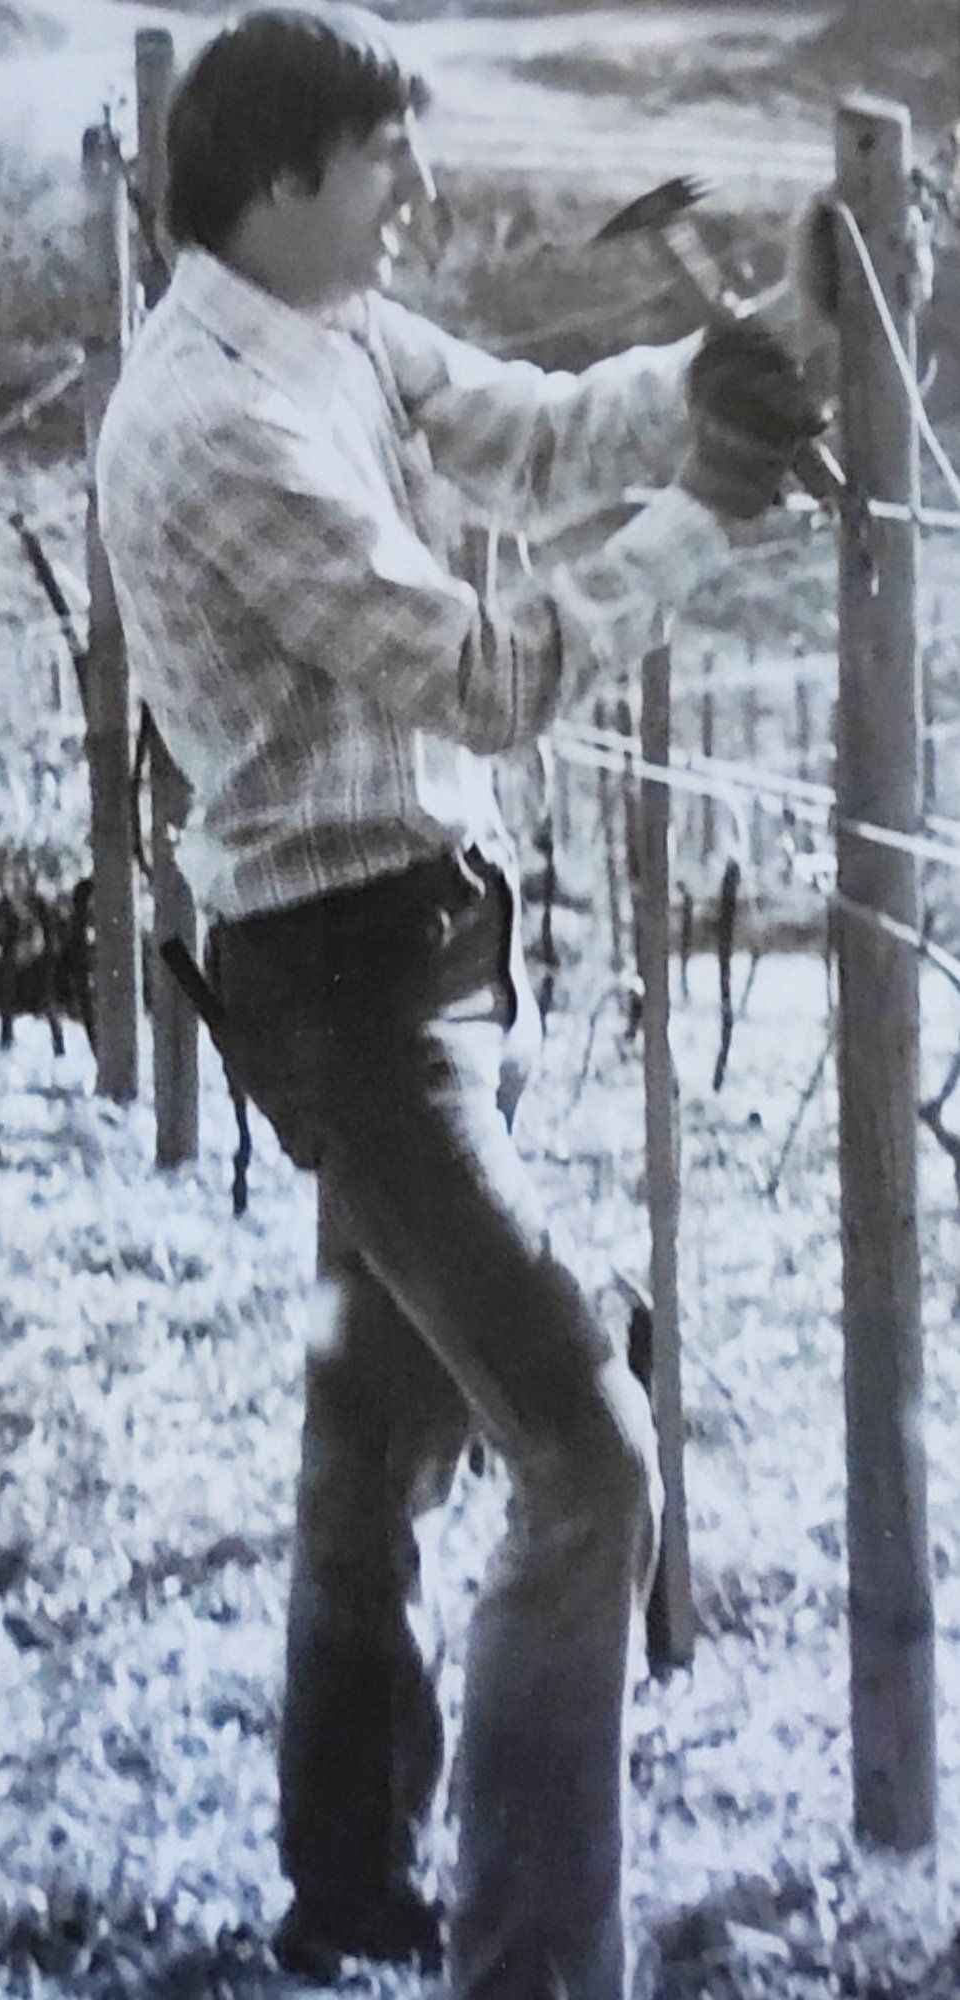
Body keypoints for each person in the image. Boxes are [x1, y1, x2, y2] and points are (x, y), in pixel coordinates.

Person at [96, 9, 824, 1996]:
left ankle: (345, 1891)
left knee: (375, 1439)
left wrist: (724, 367)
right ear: (281, 181)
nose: (416, 188)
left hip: (417, 954)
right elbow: (487, 677)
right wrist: (706, 510)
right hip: (351, 1002)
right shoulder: (210, 427)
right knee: (587, 1458)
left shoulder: (323, 327)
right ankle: (529, 1964)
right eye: (383, 160)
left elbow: (518, 428)